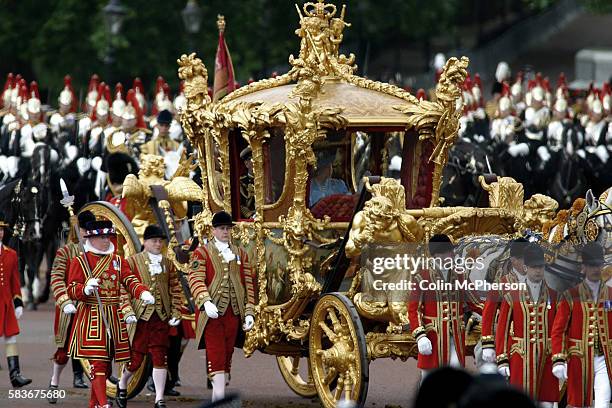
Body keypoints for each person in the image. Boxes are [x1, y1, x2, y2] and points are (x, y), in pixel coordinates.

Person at [66, 219, 154, 408]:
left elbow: (130, 280)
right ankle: (104, 404)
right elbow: (72, 289)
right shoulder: (80, 261)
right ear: (91, 238)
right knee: (98, 363)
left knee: (105, 366)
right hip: (91, 316)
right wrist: (85, 289)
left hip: (113, 317)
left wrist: (142, 292)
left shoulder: (117, 260)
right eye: (101, 237)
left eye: (108, 236)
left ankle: (94, 404)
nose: (106, 240)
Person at [187, 211, 256, 402]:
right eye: (222, 228)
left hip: (234, 314)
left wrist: (249, 312)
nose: (226, 232)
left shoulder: (241, 253)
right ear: (214, 230)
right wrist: (205, 301)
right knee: (217, 356)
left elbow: (248, 285)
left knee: (227, 356)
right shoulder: (201, 252)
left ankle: (220, 396)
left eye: (228, 228)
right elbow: (195, 278)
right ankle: (219, 400)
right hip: (212, 315)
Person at [117, 225, 183, 408]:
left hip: (161, 317)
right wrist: (127, 311)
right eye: (154, 241)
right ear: (145, 242)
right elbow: (123, 289)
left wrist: (176, 312)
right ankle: (122, 383)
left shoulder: (168, 264)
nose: (158, 244)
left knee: (160, 356)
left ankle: (159, 398)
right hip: (141, 318)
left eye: (160, 241)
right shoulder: (132, 262)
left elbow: (175, 289)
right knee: (136, 358)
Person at [408, 234, 481, 380]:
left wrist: (498, 313)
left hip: (456, 333)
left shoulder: (460, 274)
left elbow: (475, 302)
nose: (452, 255)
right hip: (433, 336)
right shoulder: (422, 276)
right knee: (429, 375)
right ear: (437, 255)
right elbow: (413, 309)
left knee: (456, 370)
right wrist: (421, 336)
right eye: (448, 252)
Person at [495, 243, 559, 406]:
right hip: (521, 357)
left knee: (547, 402)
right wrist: (502, 359)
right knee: (521, 401)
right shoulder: (512, 296)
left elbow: (560, 329)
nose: (538, 271)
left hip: (547, 357)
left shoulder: (554, 296)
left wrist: (561, 358)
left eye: (541, 267)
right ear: (526, 267)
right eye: (534, 267)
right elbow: (502, 329)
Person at [552, 242, 611, 408]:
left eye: (598, 265)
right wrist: (559, 358)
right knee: (577, 404)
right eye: (592, 265)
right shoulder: (570, 296)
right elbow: (558, 330)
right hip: (578, 358)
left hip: (605, 358)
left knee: (603, 403)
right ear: (583, 267)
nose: (596, 269)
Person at [47, 210, 96, 402]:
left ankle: (101, 388)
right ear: (80, 230)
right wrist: (65, 300)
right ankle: (54, 382)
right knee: (63, 351)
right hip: (70, 307)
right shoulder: (66, 251)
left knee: (96, 349)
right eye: (85, 230)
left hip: (91, 307)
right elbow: (57, 277)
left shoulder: (99, 251)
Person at [481, 238, 528, 363]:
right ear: (513, 261)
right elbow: (488, 312)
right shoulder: (502, 283)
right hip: (509, 340)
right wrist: (488, 343)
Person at [0, 212, 31, 387]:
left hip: (5, 304)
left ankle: (15, 375)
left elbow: (14, 281)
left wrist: (18, 302)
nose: (0, 233)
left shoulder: (11, 254)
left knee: (11, 338)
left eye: (2, 230)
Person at [239, 146, 255, 218]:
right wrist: (250, 215)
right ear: (246, 163)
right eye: (252, 159)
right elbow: (240, 204)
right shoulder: (242, 182)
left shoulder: (267, 180)